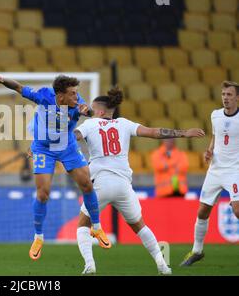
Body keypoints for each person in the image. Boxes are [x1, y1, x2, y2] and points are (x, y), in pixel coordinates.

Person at [74, 87, 205, 275]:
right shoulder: (125, 123)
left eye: (92, 109)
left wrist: (69, 122)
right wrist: (184, 133)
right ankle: (162, 265)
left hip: (100, 185)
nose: (89, 112)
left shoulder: (89, 125)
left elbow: (73, 137)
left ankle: (89, 265)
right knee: (140, 226)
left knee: (83, 225)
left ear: (100, 112)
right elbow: (155, 132)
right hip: (123, 186)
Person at [0, 74, 111, 261]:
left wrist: (86, 111)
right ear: (60, 96)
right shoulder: (44, 95)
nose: (76, 97)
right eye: (72, 94)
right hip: (43, 148)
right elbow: (20, 87)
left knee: (87, 184)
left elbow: (86, 110)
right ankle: (38, 237)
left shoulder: (78, 103)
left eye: (76, 93)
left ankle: (96, 227)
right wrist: (3, 80)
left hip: (67, 146)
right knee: (43, 193)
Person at [181, 81, 239, 266]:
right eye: (223, 94)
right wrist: (209, 150)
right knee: (203, 211)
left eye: (229, 95)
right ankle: (197, 251)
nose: (225, 98)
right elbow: (216, 137)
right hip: (215, 170)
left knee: (237, 210)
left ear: (237, 97)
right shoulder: (215, 115)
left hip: (234, 170)